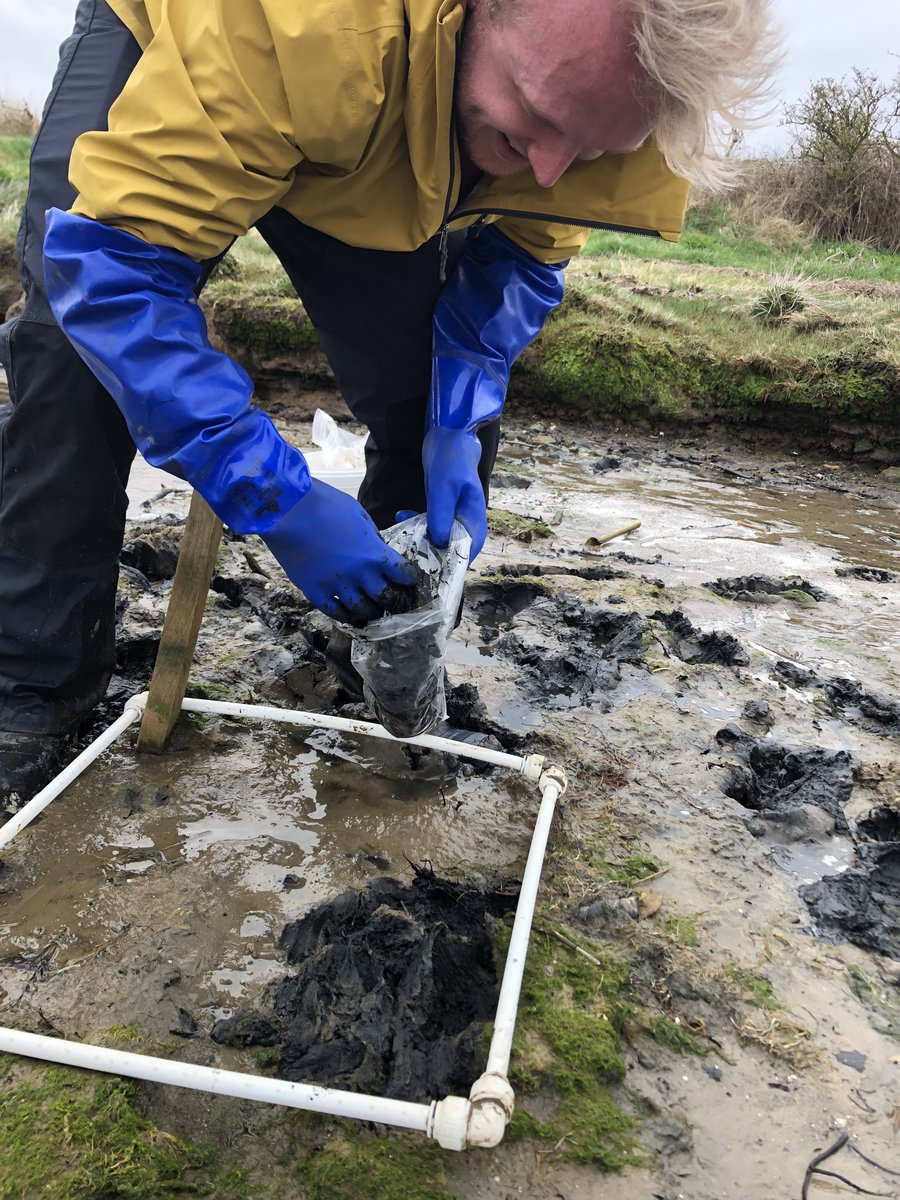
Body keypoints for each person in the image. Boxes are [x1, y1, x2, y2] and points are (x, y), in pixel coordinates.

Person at [0, 0, 778, 808]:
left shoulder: (627, 104)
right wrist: (278, 499)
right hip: (210, 33)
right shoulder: (317, 26)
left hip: (388, 108)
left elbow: (518, 255)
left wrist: (457, 414)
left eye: (589, 146)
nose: (549, 169)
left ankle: (389, 649)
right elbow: (117, 279)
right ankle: (29, 692)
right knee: (72, 363)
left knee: (426, 387)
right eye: (535, 117)